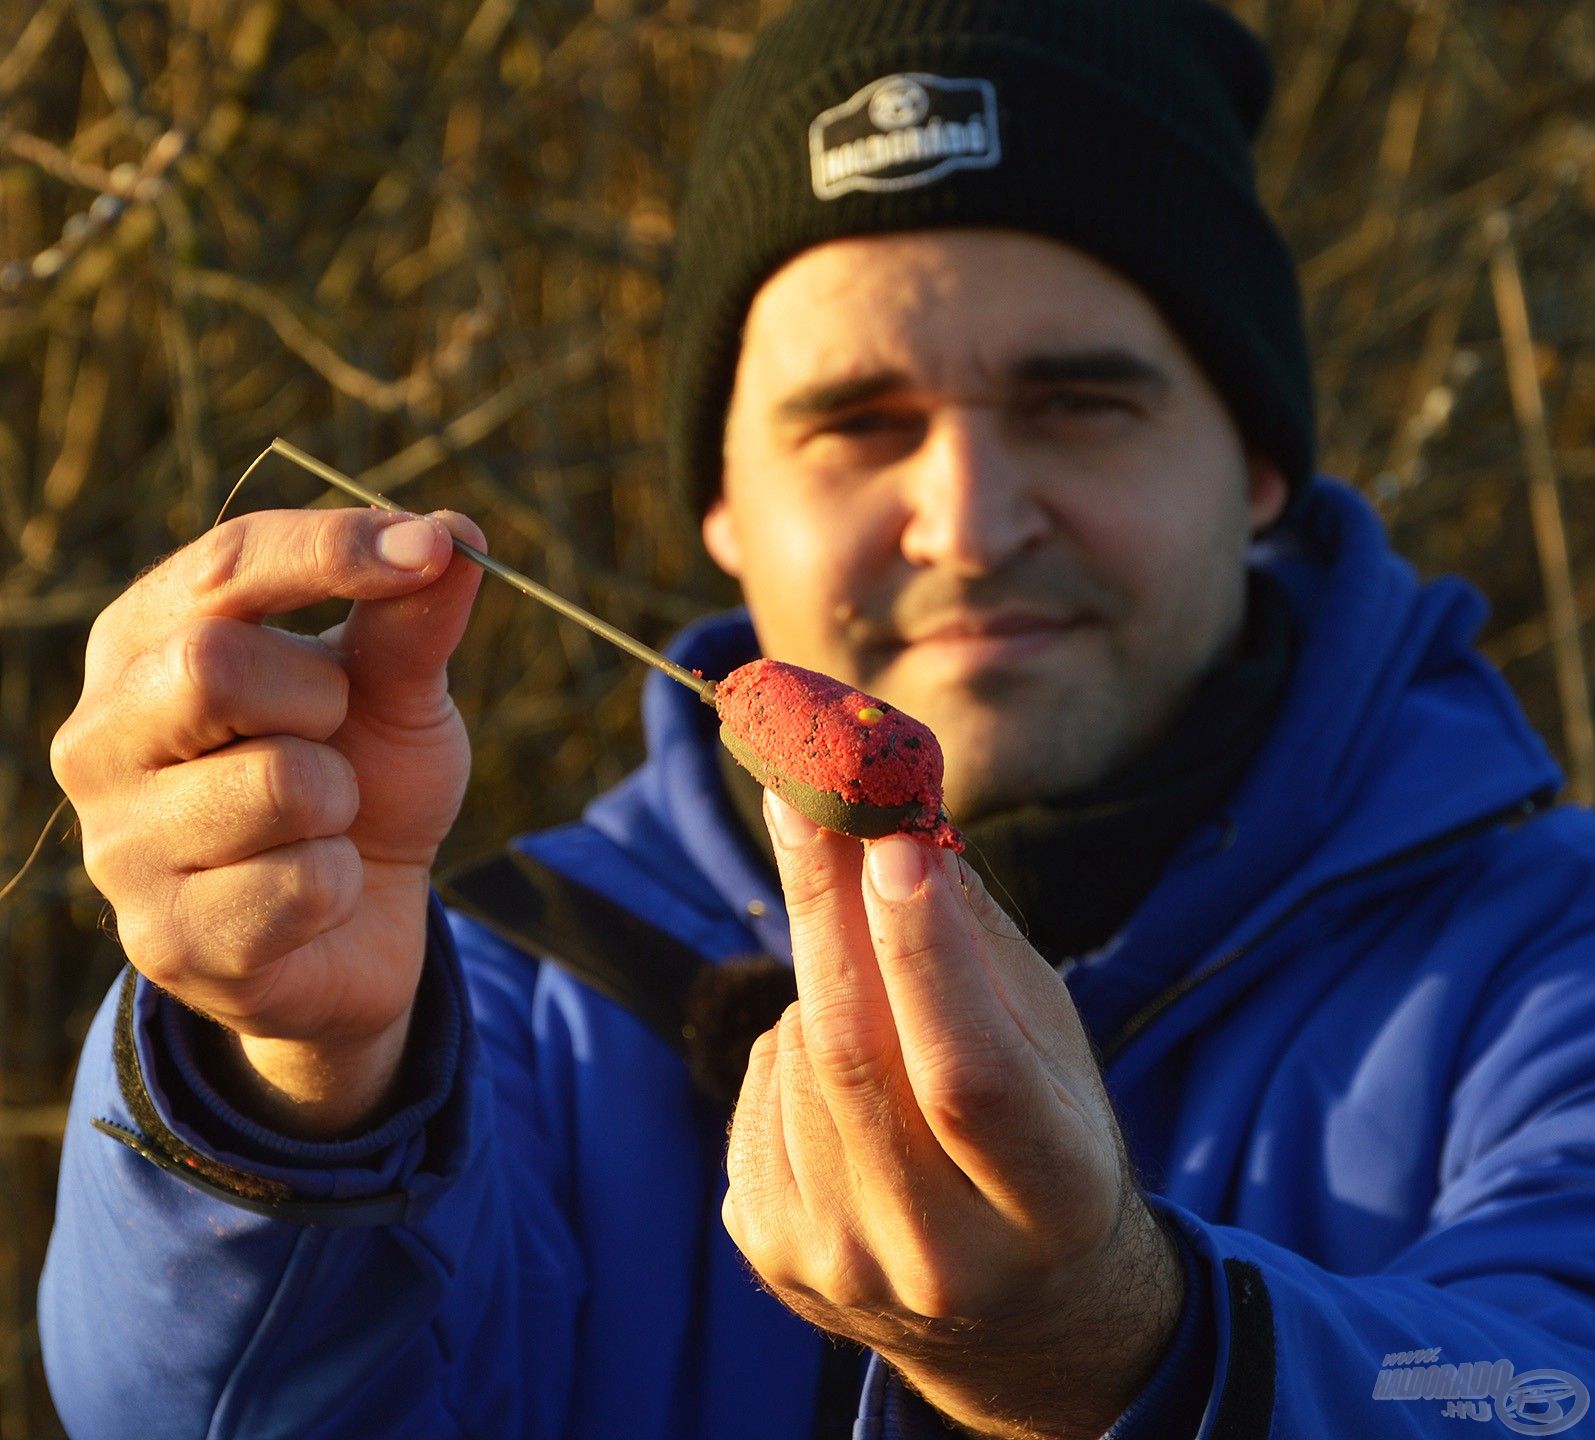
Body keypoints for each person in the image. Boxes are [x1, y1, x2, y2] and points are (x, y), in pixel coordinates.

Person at [38, 0, 1595, 1436]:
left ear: (1258, 463)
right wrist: (278, 1082)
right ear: (723, 501)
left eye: (1080, 403)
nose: (969, 521)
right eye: (858, 424)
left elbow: (1542, 1385)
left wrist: (1127, 1346)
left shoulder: (1554, 957)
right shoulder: (494, 1007)